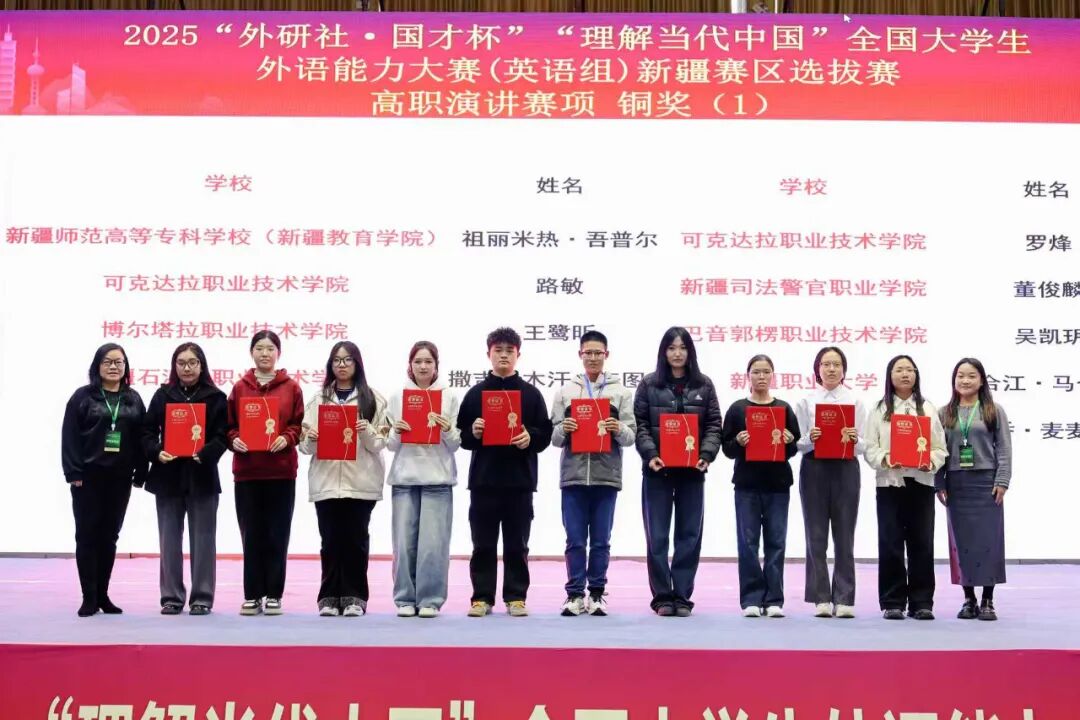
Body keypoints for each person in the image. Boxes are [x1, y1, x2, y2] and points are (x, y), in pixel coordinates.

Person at [456, 327, 553, 617]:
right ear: (488, 354)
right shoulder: (475, 394)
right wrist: (473, 432)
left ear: (518, 355)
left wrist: (530, 437)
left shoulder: (531, 394)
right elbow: (461, 436)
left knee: (517, 544)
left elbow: (544, 434)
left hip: (519, 482)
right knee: (482, 544)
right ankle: (481, 597)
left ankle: (516, 596)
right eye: (498, 350)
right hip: (484, 481)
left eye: (510, 350)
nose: (503, 355)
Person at [634, 326, 723, 617]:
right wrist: (651, 455)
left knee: (689, 536)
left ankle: (682, 596)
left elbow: (714, 425)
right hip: (657, 472)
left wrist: (706, 455)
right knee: (657, 536)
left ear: (690, 352)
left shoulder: (704, 385)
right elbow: (640, 424)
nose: (677, 353)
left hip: (692, 473)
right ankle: (662, 597)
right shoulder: (649, 384)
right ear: (663, 352)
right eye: (671, 348)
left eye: (682, 347)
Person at [549, 330, 636, 617]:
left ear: (606, 355)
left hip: (606, 476)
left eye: (598, 352)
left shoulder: (621, 393)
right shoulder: (565, 392)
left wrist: (617, 428)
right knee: (574, 540)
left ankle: (597, 593)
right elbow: (554, 438)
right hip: (573, 476)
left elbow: (631, 436)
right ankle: (574, 594)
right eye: (588, 352)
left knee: (601, 541)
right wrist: (564, 429)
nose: (593, 357)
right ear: (580, 355)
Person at [299, 341, 387, 618]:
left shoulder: (373, 399)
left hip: (361, 482)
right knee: (330, 542)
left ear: (357, 364)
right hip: (326, 481)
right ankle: (328, 598)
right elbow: (304, 446)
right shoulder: (318, 399)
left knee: (355, 542)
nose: (342, 365)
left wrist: (366, 430)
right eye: (337, 360)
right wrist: (312, 438)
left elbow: (379, 444)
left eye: (348, 359)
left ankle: (355, 598)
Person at [141, 343, 228, 616]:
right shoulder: (163, 395)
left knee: (204, 540)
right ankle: (171, 597)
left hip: (202, 476)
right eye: (181, 363)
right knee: (168, 540)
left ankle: (202, 597)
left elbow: (223, 435)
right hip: (168, 476)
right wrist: (157, 451)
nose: (187, 368)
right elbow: (146, 432)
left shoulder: (216, 397)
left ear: (202, 365)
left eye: (192, 362)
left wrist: (207, 453)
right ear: (174, 366)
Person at [61, 343, 148, 617]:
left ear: (126, 367)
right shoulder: (83, 397)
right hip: (88, 478)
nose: (113, 367)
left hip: (120, 478)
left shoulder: (133, 398)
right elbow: (70, 436)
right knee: (87, 535)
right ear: (97, 366)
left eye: (119, 362)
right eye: (108, 362)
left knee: (110, 537)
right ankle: (89, 597)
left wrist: (141, 471)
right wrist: (73, 472)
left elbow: (142, 438)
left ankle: (103, 595)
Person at [864, 354, 948, 621]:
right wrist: (886, 459)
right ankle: (893, 602)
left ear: (916, 376)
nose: (905, 374)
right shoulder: (879, 409)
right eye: (899, 370)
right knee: (890, 543)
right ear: (890, 376)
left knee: (921, 543)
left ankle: (922, 602)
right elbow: (869, 446)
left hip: (921, 483)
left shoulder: (928, 408)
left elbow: (940, 448)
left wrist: (929, 462)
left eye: (910, 370)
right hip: (890, 483)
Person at [227, 330, 305, 616]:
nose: (264, 353)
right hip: (248, 473)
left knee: (277, 534)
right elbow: (229, 426)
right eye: (259, 348)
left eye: (270, 349)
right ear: (251, 353)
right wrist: (233, 439)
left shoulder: (292, 388)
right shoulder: (239, 388)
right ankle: (252, 595)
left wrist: (287, 437)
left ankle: (274, 594)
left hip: (281, 472)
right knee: (251, 535)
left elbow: (298, 424)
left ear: (278, 353)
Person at [721, 354, 800, 618]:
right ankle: (751, 599)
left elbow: (793, 448)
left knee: (776, 542)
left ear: (773, 375)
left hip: (778, 484)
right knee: (748, 543)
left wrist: (788, 441)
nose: (761, 376)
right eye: (756, 372)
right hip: (747, 485)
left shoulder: (784, 408)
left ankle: (774, 599)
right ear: (748, 376)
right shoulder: (737, 409)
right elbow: (727, 449)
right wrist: (738, 442)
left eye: (766, 371)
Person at [385, 341, 460, 619]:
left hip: (439, 479)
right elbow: (390, 445)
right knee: (404, 544)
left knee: (434, 545)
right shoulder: (398, 397)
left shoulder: (449, 396)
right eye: (418, 361)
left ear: (436, 365)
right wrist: (396, 431)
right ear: (410, 365)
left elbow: (456, 444)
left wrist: (447, 429)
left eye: (429, 361)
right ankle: (405, 598)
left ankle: (431, 599)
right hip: (404, 477)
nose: (423, 366)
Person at [935, 358, 1012, 621]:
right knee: (961, 542)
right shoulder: (944, 413)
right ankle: (969, 599)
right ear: (953, 380)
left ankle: (988, 599)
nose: (965, 380)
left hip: (987, 483)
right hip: (956, 483)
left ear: (981, 380)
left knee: (989, 541)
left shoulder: (993, 410)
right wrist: (939, 482)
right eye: (960, 375)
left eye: (971, 376)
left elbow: (1004, 448)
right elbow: (938, 450)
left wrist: (1002, 480)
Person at [793, 346, 867, 618]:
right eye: (826, 364)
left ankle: (845, 597)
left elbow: (865, 446)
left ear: (844, 369)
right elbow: (798, 444)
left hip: (846, 467)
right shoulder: (806, 401)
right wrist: (810, 438)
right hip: (814, 467)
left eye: (836, 364)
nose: (831, 369)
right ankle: (821, 597)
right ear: (818, 369)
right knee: (815, 534)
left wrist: (855, 439)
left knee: (845, 534)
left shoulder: (855, 401)